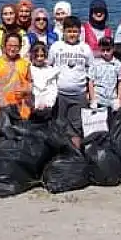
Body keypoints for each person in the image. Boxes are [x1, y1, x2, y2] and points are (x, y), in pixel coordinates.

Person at [48, 17, 96, 146]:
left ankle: (75, 155)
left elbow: (91, 75)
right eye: (69, 31)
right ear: (63, 32)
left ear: (79, 32)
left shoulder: (85, 48)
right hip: (60, 95)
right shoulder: (56, 47)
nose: (72, 35)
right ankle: (60, 155)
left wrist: (92, 98)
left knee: (76, 128)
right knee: (59, 126)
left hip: (79, 95)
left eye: (75, 32)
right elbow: (48, 68)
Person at [0, 32, 32, 121]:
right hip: (1, 109)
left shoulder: (26, 63)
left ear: (20, 47)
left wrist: (26, 90)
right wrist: (4, 103)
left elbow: (31, 83)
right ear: (4, 46)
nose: (12, 49)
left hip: (22, 109)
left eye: (16, 46)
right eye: (10, 45)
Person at [89, 36, 121, 111]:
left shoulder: (117, 63)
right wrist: (93, 99)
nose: (105, 53)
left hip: (112, 99)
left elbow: (120, 81)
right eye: (103, 50)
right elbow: (91, 82)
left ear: (113, 49)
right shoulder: (95, 63)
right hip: (98, 99)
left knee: (112, 121)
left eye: (108, 50)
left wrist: (118, 99)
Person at [28, 42, 59, 120]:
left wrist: (48, 104)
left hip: (47, 108)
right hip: (31, 108)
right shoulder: (28, 70)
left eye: (42, 56)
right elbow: (28, 89)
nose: (39, 58)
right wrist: (33, 105)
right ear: (32, 56)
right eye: (36, 56)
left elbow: (53, 89)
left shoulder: (50, 70)